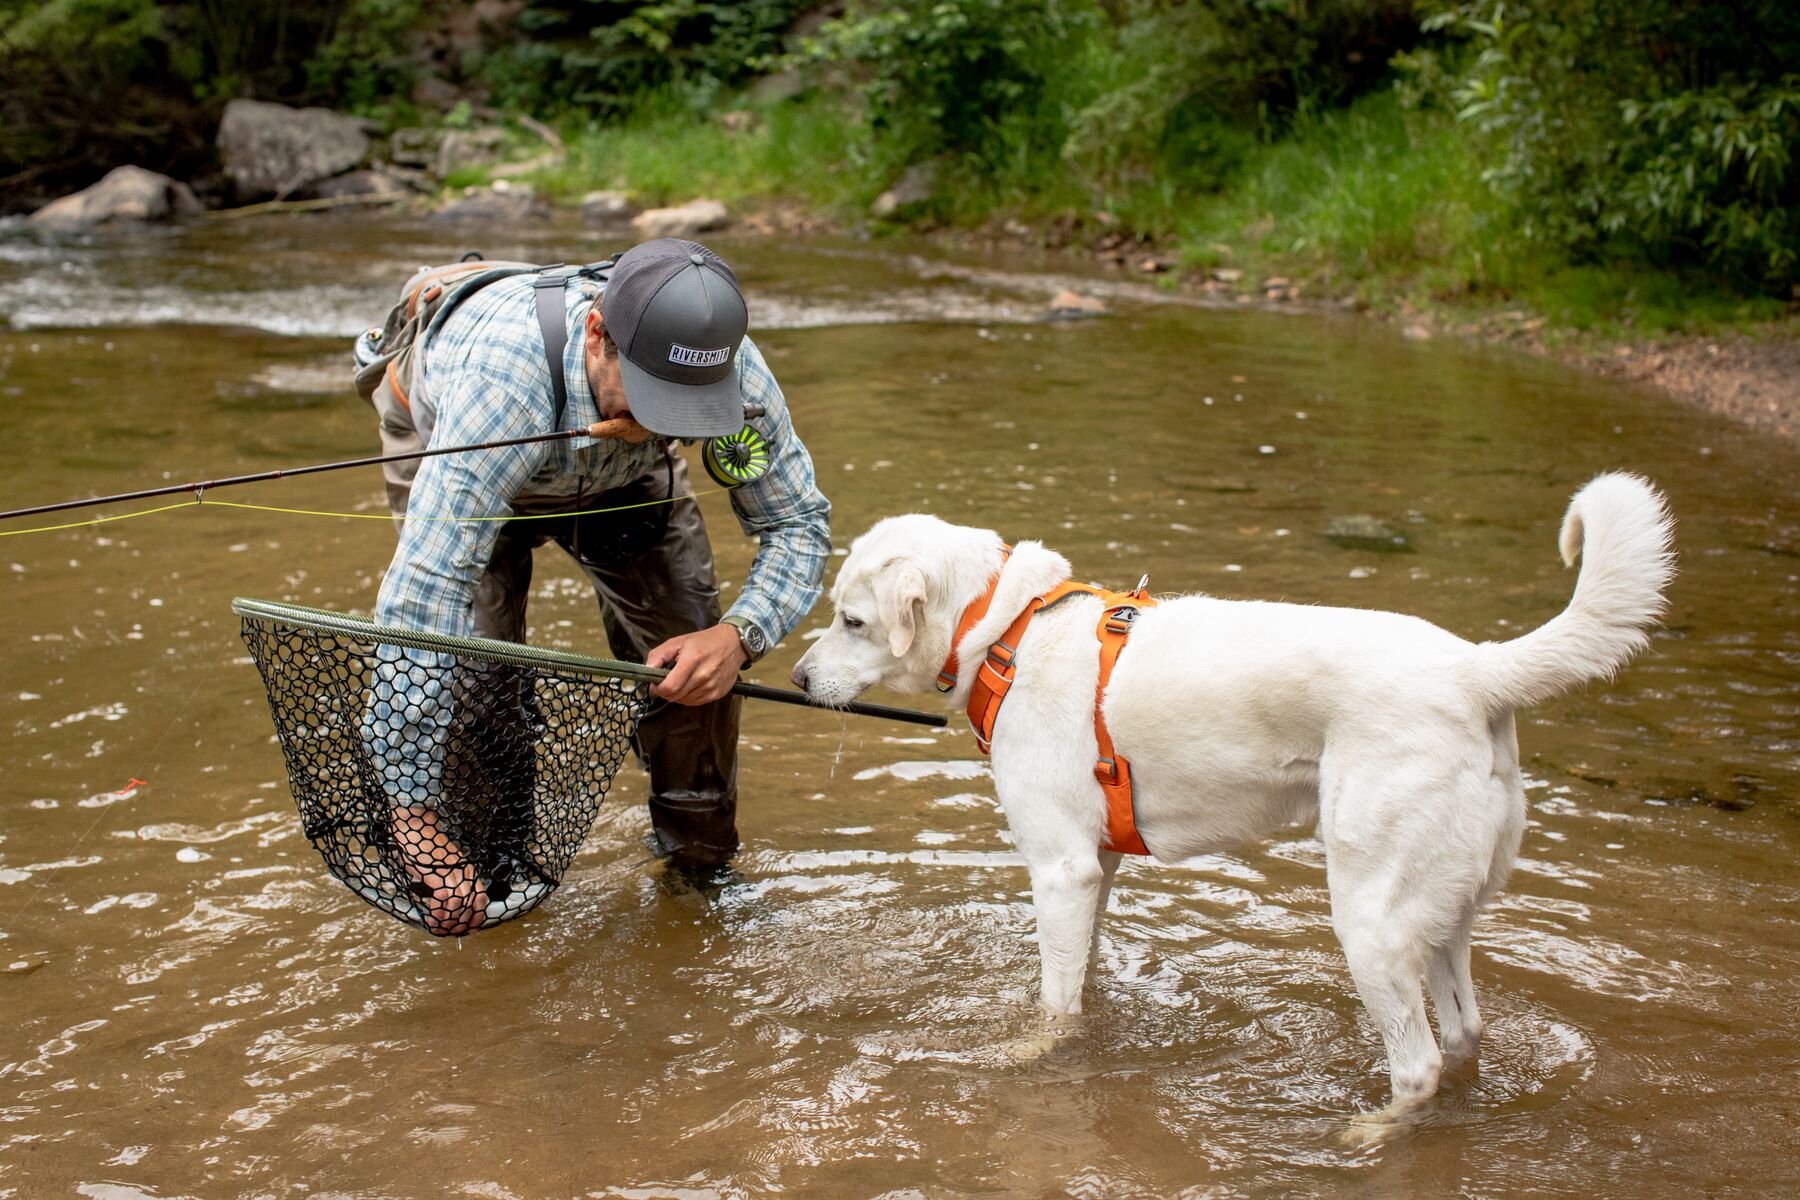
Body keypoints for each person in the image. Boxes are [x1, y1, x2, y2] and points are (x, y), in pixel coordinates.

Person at [362, 238, 831, 933]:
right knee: (477, 682)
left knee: (698, 662)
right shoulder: (503, 382)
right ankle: (481, 881)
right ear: (597, 336)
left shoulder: (735, 373)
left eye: (685, 409)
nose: (662, 423)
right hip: (472, 441)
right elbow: (422, 600)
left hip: (625, 485)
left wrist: (739, 636)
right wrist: (413, 818)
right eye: (652, 399)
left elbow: (798, 525)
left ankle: (700, 868)